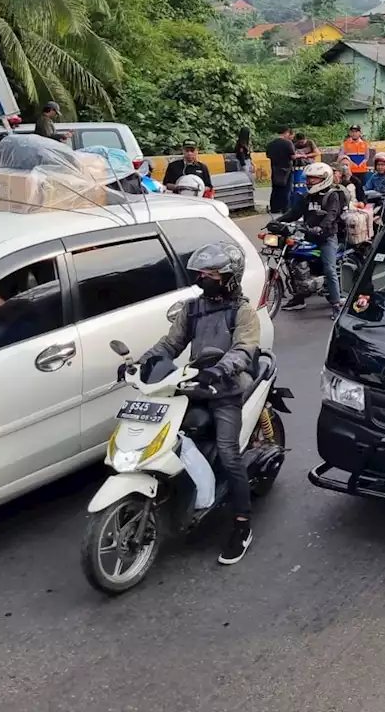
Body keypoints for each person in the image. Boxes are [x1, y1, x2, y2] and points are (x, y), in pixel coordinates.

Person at [134, 242, 261, 565]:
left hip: (226, 390)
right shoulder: (192, 309)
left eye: (212, 274)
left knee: (230, 454)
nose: (204, 278)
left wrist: (219, 370)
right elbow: (170, 344)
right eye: (202, 273)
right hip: (191, 386)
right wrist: (140, 363)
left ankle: (242, 525)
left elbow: (243, 351)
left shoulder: (243, 312)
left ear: (230, 278)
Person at [275, 162, 347, 313]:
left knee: (329, 269)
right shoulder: (307, 196)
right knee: (293, 261)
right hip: (309, 236)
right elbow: (293, 213)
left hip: (326, 237)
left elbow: (332, 215)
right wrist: (277, 221)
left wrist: (321, 228)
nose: (309, 182)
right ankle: (298, 298)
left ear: (324, 179)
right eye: (308, 179)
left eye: (314, 179)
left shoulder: (332, 195)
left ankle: (336, 305)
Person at [266, 125, 295, 213]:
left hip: (275, 168)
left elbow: (267, 155)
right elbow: (293, 156)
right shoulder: (288, 143)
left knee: (275, 189)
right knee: (286, 189)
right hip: (286, 169)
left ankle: (274, 208)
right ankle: (285, 208)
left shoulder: (271, 143)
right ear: (286, 133)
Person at [341, 124, 370, 191]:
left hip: (362, 171)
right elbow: (342, 157)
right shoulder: (345, 144)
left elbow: (366, 157)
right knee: (350, 189)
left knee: (361, 189)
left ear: (359, 133)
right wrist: (351, 164)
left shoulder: (365, 144)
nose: (354, 133)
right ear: (350, 133)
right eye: (352, 132)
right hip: (350, 171)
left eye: (356, 131)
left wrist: (361, 164)